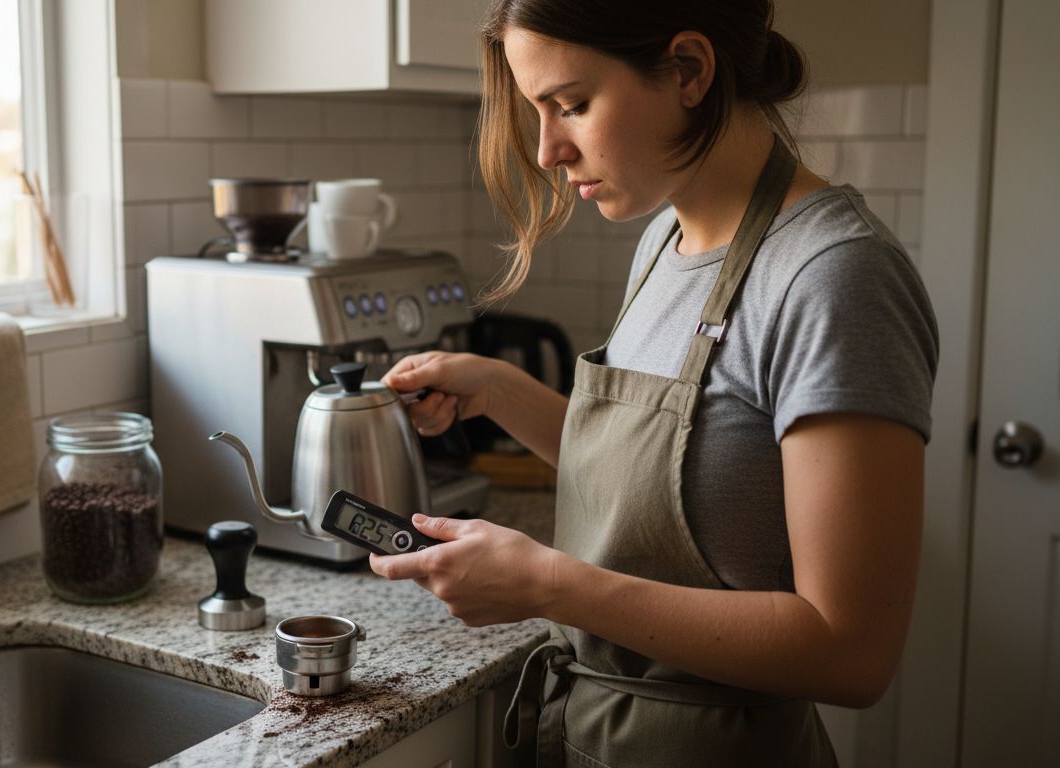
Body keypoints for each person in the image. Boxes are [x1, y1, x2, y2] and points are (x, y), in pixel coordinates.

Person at [369, 1, 939, 765]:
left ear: (689, 71)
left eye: (570, 104)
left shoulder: (834, 278)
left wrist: (549, 586)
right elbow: (681, 471)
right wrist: (499, 390)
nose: (546, 150)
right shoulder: (663, 240)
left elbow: (851, 653)